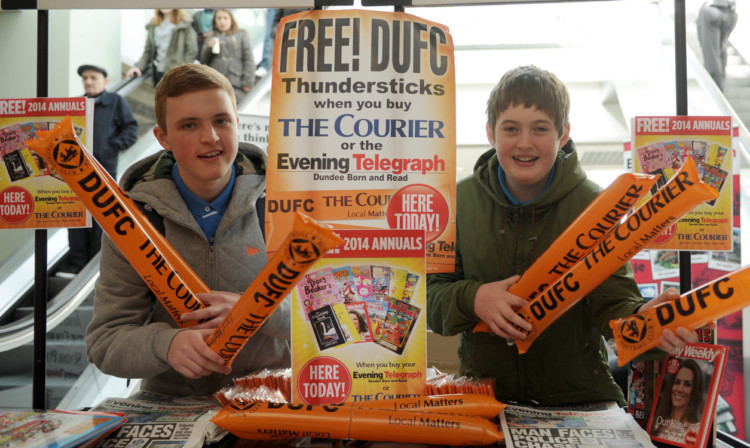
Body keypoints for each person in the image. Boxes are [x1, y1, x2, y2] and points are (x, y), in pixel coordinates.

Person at [425, 65, 699, 407]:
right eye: (511, 128)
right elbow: (429, 298)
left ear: (563, 133)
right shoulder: (454, 202)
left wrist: (649, 320)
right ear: (491, 134)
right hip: (486, 399)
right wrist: (474, 298)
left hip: (579, 399)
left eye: (540, 129)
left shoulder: (599, 204)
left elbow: (613, 304)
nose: (525, 143)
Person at [85, 63, 290, 396]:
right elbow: (106, 342)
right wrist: (166, 345)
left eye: (221, 120)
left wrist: (257, 311)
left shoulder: (283, 203)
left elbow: (331, 317)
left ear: (237, 124)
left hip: (274, 407)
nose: (209, 137)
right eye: (189, 125)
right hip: (174, 410)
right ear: (163, 137)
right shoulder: (135, 219)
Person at [59, 64, 139, 277]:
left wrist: (110, 146)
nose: (88, 82)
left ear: (105, 80)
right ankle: (77, 263)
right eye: (85, 78)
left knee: (100, 216)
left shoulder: (115, 102)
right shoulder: (76, 104)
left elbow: (131, 128)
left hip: (104, 169)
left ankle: (96, 262)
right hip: (75, 170)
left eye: (93, 77)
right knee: (75, 215)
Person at [126, 9, 198, 85]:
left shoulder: (184, 24)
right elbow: (148, 51)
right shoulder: (154, 24)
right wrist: (138, 67)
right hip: (158, 72)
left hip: (176, 75)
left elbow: (192, 51)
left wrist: (182, 71)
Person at [198, 9, 255, 103]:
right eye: (219, 18)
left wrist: (247, 82)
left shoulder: (242, 35)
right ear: (215, 21)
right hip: (215, 84)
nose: (222, 21)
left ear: (231, 20)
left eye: (225, 18)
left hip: (237, 84)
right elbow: (203, 62)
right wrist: (208, 48)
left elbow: (249, 59)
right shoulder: (211, 37)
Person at [650, 359, 705, 442]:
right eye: (677, 382)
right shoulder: (656, 420)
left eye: (687, 384)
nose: (680, 389)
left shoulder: (698, 430)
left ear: (695, 390)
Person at [696, 0, 738, 91]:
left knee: (712, 56)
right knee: (720, 52)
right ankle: (720, 91)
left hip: (711, 9)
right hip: (730, 11)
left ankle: (715, 96)